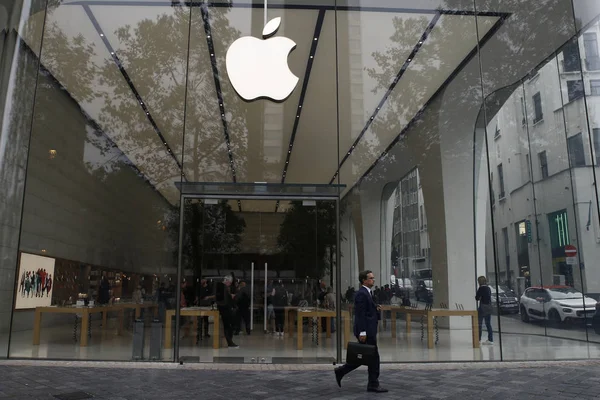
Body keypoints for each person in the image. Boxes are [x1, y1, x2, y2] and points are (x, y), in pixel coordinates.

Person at [334, 270, 387, 393]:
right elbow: (360, 315)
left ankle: (345, 372)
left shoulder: (368, 293)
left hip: (369, 330)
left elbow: (368, 312)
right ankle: (372, 383)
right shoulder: (361, 294)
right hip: (366, 331)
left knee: (366, 356)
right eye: (371, 278)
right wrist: (362, 332)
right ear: (364, 280)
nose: (373, 280)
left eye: (373, 278)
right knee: (370, 357)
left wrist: (376, 308)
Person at [215, 275, 238, 348]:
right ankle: (230, 342)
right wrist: (231, 298)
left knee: (227, 325)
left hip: (223, 308)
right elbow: (225, 300)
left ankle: (230, 341)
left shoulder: (220, 287)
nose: (230, 284)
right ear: (227, 281)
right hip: (225, 309)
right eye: (230, 283)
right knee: (228, 326)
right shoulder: (223, 287)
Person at [476, 276, 493, 345]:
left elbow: (477, 298)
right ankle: (490, 339)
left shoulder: (481, 288)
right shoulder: (488, 288)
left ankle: (479, 339)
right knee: (488, 324)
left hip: (482, 308)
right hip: (488, 308)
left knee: (479, 324)